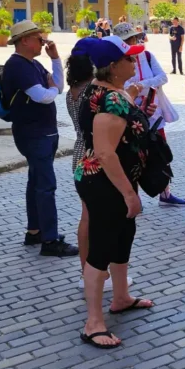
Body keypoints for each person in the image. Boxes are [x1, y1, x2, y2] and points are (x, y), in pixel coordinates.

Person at [76, 36, 155, 348]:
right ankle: (93, 323)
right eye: (129, 58)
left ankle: (121, 297)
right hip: (106, 182)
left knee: (123, 236)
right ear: (113, 66)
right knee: (102, 248)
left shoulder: (107, 91)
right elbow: (106, 153)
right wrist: (129, 194)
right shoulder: (109, 99)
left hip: (113, 180)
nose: (134, 62)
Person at [2, 21, 78, 257]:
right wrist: (52, 90)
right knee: (46, 186)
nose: (43, 41)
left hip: (43, 132)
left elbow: (58, 86)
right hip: (34, 134)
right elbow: (43, 96)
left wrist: (55, 59)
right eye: (38, 38)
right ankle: (50, 240)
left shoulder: (32, 63)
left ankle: (35, 231)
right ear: (24, 40)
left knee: (36, 181)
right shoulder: (18, 65)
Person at [66, 40, 134, 290]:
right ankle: (93, 273)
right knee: (93, 219)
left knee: (87, 216)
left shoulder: (75, 90)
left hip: (81, 152)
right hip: (93, 156)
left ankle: (88, 271)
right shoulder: (97, 92)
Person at [113, 22, 185, 207]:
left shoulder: (146, 55)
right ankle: (132, 197)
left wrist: (140, 86)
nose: (132, 42)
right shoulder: (115, 62)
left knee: (160, 153)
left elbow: (162, 77)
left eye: (133, 38)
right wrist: (136, 91)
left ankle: (165, 193)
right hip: (129, 116)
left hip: (153, 115)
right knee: (131, 155)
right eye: (127, 40)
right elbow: (117, 88)